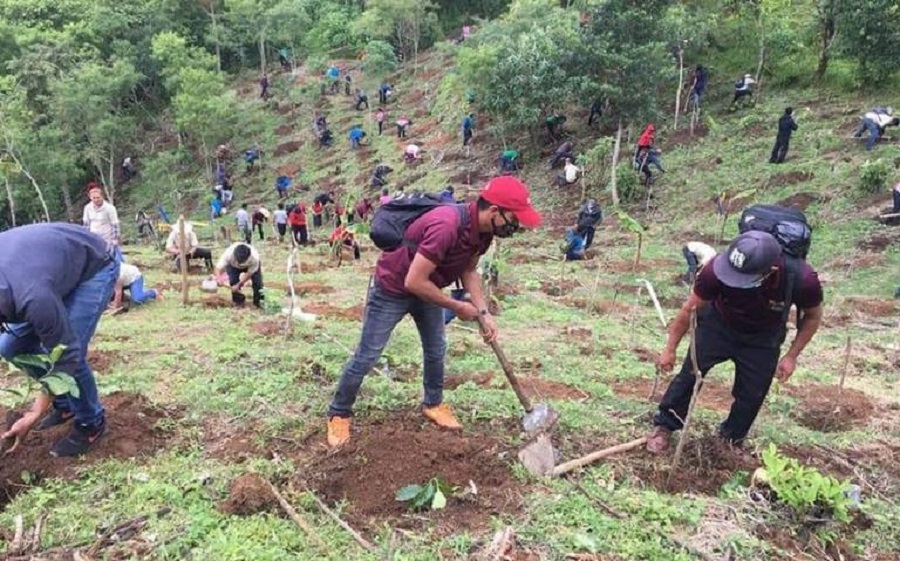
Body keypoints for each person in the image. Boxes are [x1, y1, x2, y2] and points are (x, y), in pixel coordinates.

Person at [325, 176, 542, 447]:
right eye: (514, 218)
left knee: (436, 348)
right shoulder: (447, 224)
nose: (515, 226)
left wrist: (484, 312)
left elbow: (468, 269)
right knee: (368, 355)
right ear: (495, 211)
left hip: (429, 288)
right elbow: (413, 281)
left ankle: (433, 403)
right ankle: (338, 413)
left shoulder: (484, 232)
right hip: (393, 289)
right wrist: (457, 306)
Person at [647, 231, 824, 453]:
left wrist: (792, 356)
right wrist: (669, 349)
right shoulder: (715, 269)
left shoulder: (802, 279)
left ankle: (730, 440)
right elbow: (688, 309)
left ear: (771, 271)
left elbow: (813, 317)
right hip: (718, 325)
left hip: (763, 337)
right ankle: (665, 424)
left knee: (753, 393)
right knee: (690, 374)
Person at [0, 224, 119, 457]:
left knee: (70, 351)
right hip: (49, 268)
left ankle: (90, 423)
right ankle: (64, 403)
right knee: (10, 345)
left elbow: (66, 353)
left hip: (93, 265)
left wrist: (35, 412)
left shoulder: (33, 298)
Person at [213, 243, 264, 308]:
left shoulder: (255, 258)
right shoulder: (228, 254)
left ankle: (259, 302)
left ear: (248, 256)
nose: (240, 263)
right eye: (238, 260)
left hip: (250, 266)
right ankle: (239, 302)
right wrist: (218, 278)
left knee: (258, 283)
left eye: (242, 261)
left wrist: (239, 284)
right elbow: (218, 268)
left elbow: (249, 273)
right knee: (233, 281)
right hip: (233, 266)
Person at [82, 184, 121, 262]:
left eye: (98, 197)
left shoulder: (110, 208)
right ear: (90, 197)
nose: (96, 200)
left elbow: (115, 224)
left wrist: (115, 239)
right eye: (94, 198)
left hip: (107, 239)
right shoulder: (87, 208)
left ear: (102, 196)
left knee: (114, 259)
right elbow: (86, 225)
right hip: (94, 238)